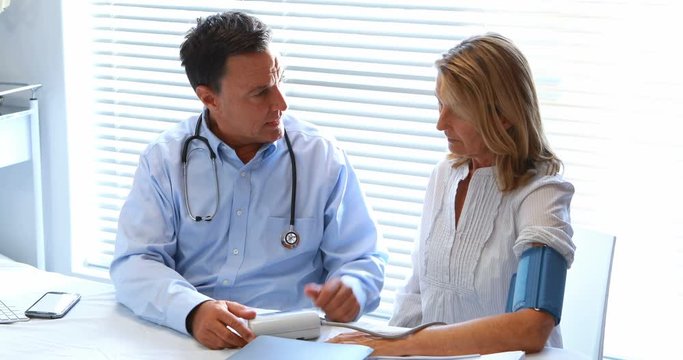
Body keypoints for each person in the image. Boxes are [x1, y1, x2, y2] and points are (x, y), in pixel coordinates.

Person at [109, 11, 386, 350]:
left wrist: (353, 287)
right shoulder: (164, 160)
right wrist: (193, 311)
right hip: (190, 340)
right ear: (209, 98)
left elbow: (362, 257)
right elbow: (135, 262)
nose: (281, 103)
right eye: (260, 93)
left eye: (280, 82)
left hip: (290, 341)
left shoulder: (321, 157)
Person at [329, 33, 574, 356]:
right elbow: (418, 293)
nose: (440, 123)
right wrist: (378, 348)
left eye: (455, 110)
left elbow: (533, 325)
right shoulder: (444, 175)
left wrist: (407, 344)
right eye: (439, 104)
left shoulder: (541, 193)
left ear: (503, 115)